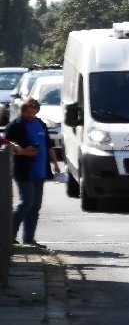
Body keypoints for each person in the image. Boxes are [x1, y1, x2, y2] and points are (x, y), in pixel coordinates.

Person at [4, 97, 61, 248]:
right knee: (26, 203)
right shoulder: (15, 125)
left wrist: (55, 163)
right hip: (24, 170)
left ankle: (29, 240)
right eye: (28, 112)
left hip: (40, 169)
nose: (31, 115)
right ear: (22, 111)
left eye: (33, 112)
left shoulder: (40, 123)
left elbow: (48, 145)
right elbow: (6, 145)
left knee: (35, 206)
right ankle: (9, 235)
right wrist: (23, 152)